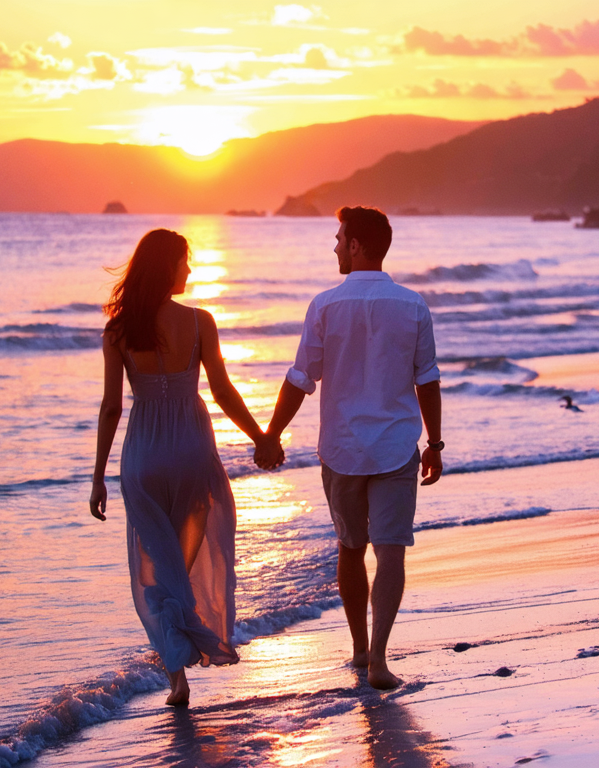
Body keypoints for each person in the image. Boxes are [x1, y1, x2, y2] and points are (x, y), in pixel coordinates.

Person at [255, 206, 443, 690]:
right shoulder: (413, 305)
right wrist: (435, 443)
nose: (335, 246)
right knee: (391, 552)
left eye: (340, 238)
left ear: (357, 244)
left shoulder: (325, 306)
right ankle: (379, 657)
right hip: (397, 446)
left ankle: (360, 647)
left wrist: (272, 434)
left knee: (350, 547)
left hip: (341, 448)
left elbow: (301, 379)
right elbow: (428, 381)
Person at [89, 228, 272, 707]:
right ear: (166, 266)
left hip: (144, 455)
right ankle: (190, 642)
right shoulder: (199, 322)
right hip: (190, 449)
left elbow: (111, 408)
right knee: (180, 565)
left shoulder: (118, 329)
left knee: (157, 566)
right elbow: (224, 391)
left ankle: (177, 680)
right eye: (184, 262)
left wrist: (97, 477)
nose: (189, 271)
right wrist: (260, 437)